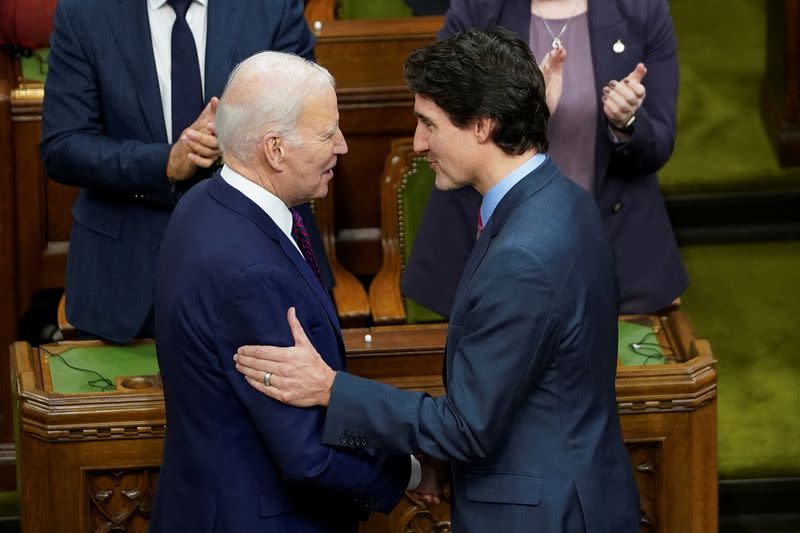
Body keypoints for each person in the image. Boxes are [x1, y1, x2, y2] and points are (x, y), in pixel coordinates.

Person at [233, 28, 640, 533]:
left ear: (482, 126)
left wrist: (331, 389)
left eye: (429, 123)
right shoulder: (562, 200)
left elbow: (467, 428)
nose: (419, 142)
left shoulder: (524, 254)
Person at [150, 51, 425, 532]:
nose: (342, 146)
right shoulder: (252, 272)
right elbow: (307, 455)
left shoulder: (201, 204)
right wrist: (413, 470)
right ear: (274, 150)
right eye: (327, 134)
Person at [40, 0, 331, 344]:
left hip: (258, 266)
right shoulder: (85, 11)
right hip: (124, 282)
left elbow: (310, 124)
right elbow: (63, 146)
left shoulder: (272, 7)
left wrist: (238, 137)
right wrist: (166, 162)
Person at [401, 0, 688, 318]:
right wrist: (527, 111)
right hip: (494, 252)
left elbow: (659, 146)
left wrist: (628, 124)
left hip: (612, 249)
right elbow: (441, 122)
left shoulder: (642, 9)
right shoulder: (478, 8)